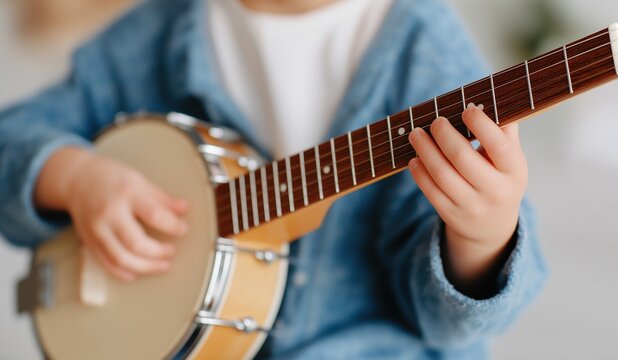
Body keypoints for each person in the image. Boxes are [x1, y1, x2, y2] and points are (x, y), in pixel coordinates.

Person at [0, 0, 547, 358]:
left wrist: (482, 237)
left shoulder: (425, 55)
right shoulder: (160, 30)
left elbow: (455, 327)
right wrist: (73, 177)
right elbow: (14, 137)